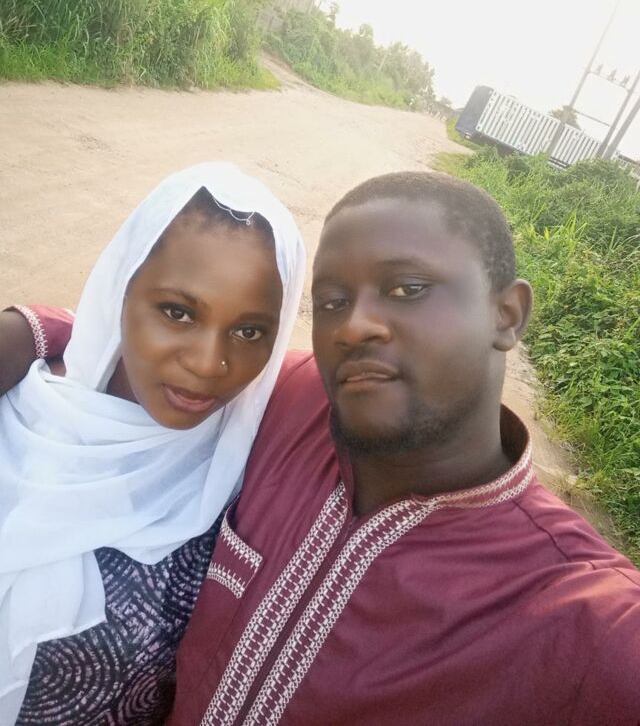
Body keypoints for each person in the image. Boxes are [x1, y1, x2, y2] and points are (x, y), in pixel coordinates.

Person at [4, 171, 640, 725]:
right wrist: (26, 330)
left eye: (408, 288)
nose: (354, 325)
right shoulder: (289, 403)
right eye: (332, 301)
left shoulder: (581, 615)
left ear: (507, 314)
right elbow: (137, 329)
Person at [0, 163, 305, 726]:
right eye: (178, 312)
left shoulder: (237, 489)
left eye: (249, 331)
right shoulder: (16, 402)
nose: (209, 364)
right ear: (121, 288)